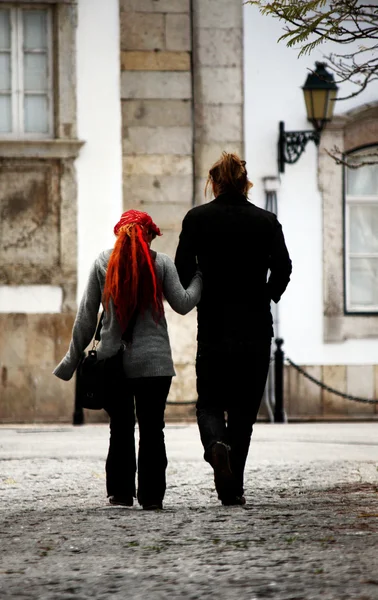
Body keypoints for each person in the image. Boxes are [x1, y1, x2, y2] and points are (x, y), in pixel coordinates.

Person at [54, 210, 202, 510]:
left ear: (119, 233)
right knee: (152, 429)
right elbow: (184, 304)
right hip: (155, 363)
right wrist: (200, 277)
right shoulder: (161, 264)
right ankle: (152, 496)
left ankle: (121, 494)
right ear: (149, 235)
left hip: (114, 361)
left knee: (120, 427)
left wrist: (70, 362)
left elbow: (85, 317)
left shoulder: (102, 262)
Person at [175, 152, 292, 506]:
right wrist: (265, 295)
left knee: (209, 404)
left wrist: (201, 287)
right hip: (255, 330)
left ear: (215, 183)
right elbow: (284, 268)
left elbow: (183, 266)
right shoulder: (266, 221)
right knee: (243, 414)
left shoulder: (197, 219)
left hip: (213, 328)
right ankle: (232, 489)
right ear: (245, 183)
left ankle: (215, 446)